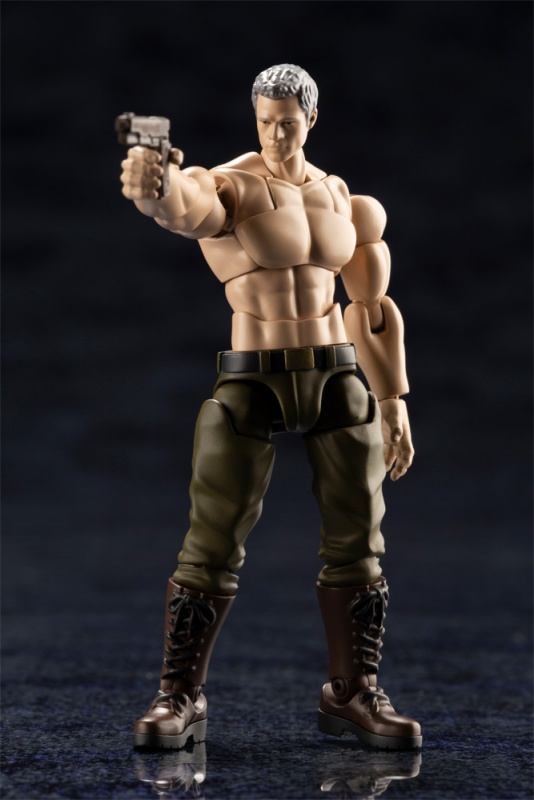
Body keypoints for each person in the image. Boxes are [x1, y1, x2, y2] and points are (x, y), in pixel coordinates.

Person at [120, 63, 421, 751]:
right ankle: (179, 694)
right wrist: (156, 184)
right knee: (214, 533)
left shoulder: (345, 201)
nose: (276, 135)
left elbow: (371, 307)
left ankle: (353, 692)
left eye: (287, 123)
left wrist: (393, 399)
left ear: (310, 119)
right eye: (265, 122)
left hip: (335, 372)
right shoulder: (235, 185)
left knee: (360, 533)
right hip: (253, 375)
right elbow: (188, 206)